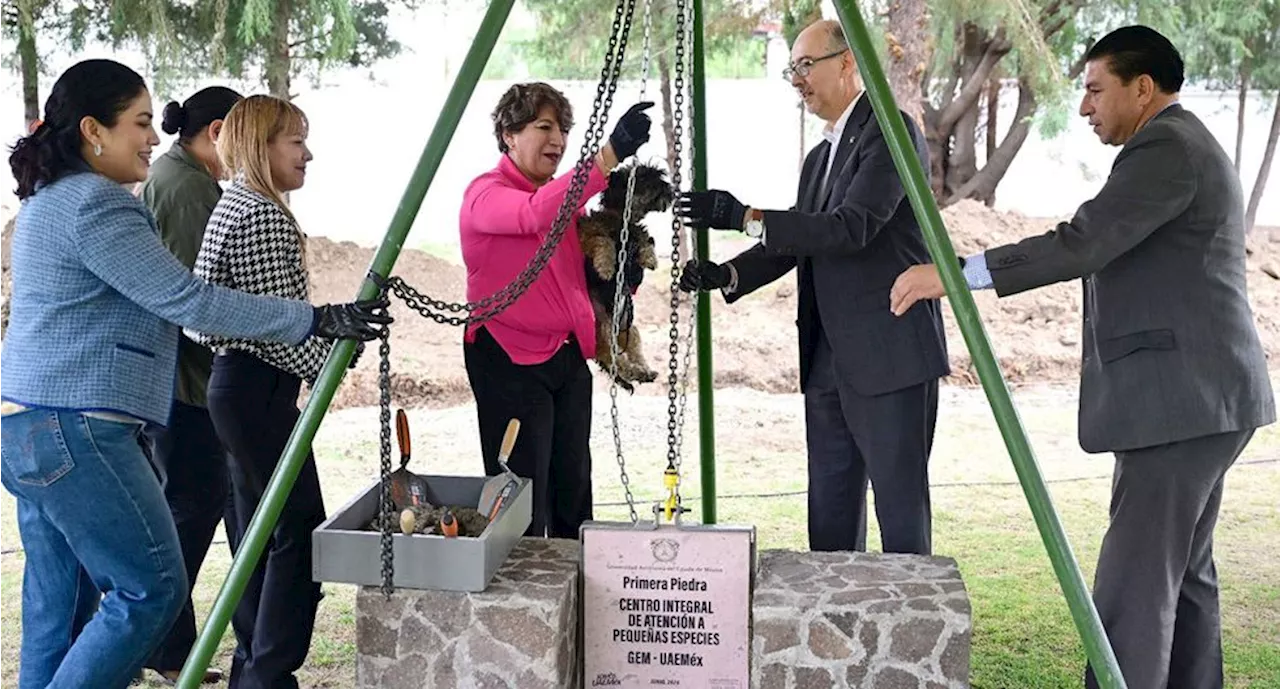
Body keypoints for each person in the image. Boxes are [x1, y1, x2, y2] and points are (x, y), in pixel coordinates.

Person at [888, 26, 1275, 689]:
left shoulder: (1168, 148)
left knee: (1135, 586)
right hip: (1201, 398)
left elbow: (1083, 243)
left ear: (1143, 88)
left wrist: (955, 273)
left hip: (1180, 403)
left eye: (1096, 90)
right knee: (1182, 580)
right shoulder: (1181, 146)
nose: (1086, 107)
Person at [0, 59, 390, 689]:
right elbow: (189, 301)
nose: (155, 137)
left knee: (57, 604)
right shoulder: (100, 205)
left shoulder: (45, 202)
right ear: (94, 130)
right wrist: (312, 321)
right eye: (142, 123)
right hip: (80, 430)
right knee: (149, 591)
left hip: (23, 426)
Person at [676, 19, 947, 555]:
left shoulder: (890, 130)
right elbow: (803, 236)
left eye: (806, 65)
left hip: (890, 355)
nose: (796, 80)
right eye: (790, 69)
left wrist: (743, 215)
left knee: (900, 515)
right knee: (828, 512)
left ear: (847, 63)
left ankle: (906, 636)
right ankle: (834, 629)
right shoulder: (819, 158)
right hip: (827, 359)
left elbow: (852, 227)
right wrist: (729, 274)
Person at [186, 94, 353, 689]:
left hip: (235, 386)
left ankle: (255, 669)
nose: (308, 153)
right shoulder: (262, 215)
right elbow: (276, 324)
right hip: (257, 386)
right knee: (297, 531)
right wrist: (333, 347)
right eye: (295, 141)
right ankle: (268, 673)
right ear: (261, 146)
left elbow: (206, 320)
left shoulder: (234, 204)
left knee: (259, 534)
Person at [460, 82, 652, 537]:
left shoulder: (563, 203)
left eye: (563, 129)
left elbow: (576, 285)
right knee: (522, 501)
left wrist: (623, 281)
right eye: (543, 127)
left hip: (564, 360)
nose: (559, 140)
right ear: (508, 134)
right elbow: (531, 214)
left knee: (574, 491)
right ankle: (525, 604)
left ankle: (577, 597)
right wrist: (608, 155)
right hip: (508, 358)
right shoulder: (484, 194)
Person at [136, 84, 243, 685]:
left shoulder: (187, 179)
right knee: (191, 508)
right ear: (221, 131)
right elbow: (194, 301)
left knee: (213, 506)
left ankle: (186, 641)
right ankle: (166, 644)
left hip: (192, 383)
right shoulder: (187, 188)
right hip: (189, 386)